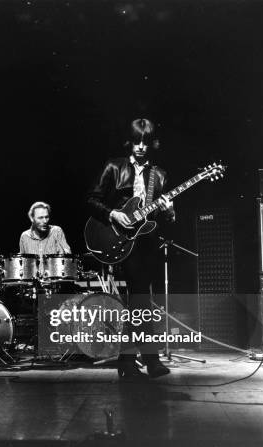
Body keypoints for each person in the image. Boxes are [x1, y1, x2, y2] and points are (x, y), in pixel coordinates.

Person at [86, 118, 175, 380]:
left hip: (147, 241)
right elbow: (91, 199)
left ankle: (131, 362)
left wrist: (169, 211)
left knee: (142, 301)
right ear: (129, 141)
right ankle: (148, 361)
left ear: (152, 144)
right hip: (121, 240)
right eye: (136, 141)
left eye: (146, 142)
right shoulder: (114, 167)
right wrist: (113, 213)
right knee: (140, 299)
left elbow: (166, 217)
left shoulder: (159, 175)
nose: (141, 147)